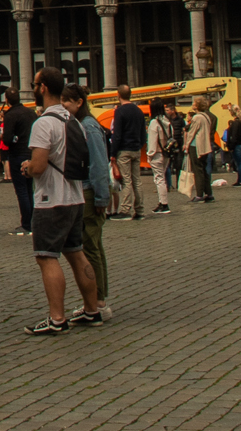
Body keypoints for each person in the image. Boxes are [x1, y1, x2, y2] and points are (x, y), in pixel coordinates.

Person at [19, 67, 103, 334]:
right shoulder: (74, 121)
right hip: (76, 198)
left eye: (35, 84)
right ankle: (92, 310)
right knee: (77, 254)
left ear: (42, 87)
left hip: (50, 200)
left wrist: (27, 167)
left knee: (46, 257)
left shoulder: (43, 123)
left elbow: (40, 166)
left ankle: (57, 319)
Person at [71, 87, 114, 320]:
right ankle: (98, 298)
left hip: (90, 191)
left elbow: (99, 164)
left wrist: (101, 197)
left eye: (66, 102)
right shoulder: (84, 124)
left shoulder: (88, 126)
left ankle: (97, 301)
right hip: (88, 190)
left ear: (78, 102)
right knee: (93, 245)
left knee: (90, 247)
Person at [108, 85, 146, 220]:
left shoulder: (120, 111)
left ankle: (125, 210)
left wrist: (113, 153)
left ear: (118, 95)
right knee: (137, 180)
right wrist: (139, 145)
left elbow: (117, 134)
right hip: (136, 149)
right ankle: (140, 210)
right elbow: (143, 132)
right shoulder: (138, 111)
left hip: (124, 149)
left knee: (126, 180)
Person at [3, 88, 37, 234]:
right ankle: (33, 221)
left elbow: (7, 138)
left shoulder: (10, 115)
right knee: (30, 189)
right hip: (31, 153)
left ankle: (26, 223)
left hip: (17, 154)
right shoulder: (30, 112)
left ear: (7, 100)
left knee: (21, 190)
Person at [185, 97, 215, 202]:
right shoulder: (206, 116)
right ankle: (209, 193)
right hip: (205, 146)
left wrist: (186, 145)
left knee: (197, 171)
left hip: (196, 146)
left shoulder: (197, 117)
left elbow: (191, 133)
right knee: (203, 170)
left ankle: (199, 194)